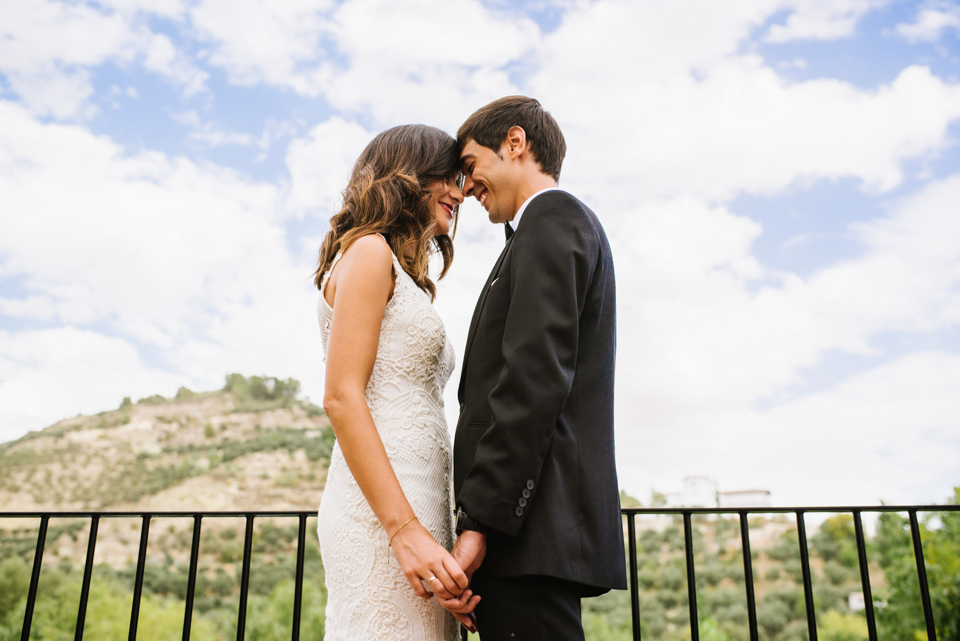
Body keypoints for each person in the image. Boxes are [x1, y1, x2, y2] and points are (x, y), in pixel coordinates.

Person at [440, 96, 627, 640]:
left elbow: (532, 382)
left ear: (515, 143)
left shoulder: (553, 219)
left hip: (526, 534)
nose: (465, 186)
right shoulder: (534, 233)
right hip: (521, 536)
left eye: (470, 166)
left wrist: (481, 524)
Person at [314, 124, 469, 640]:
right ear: (408, 173)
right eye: (448, 176)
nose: (460, 189)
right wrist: (402, 531)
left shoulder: (401, 275)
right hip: (381, 514)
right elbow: (341, 396)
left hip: (421, 502)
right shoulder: (369, 253)